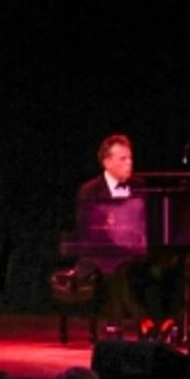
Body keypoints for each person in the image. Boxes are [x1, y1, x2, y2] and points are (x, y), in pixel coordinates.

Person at [75, 135, 146, 326]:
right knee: (115, 267)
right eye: (123, 159)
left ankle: (152, 323)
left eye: (130, 158)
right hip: (99, 253)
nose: (129, 163)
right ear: (107, 163)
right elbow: (85, 230)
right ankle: (142, 323)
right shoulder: (89, 190)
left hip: (135, 252)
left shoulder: (140, 186)